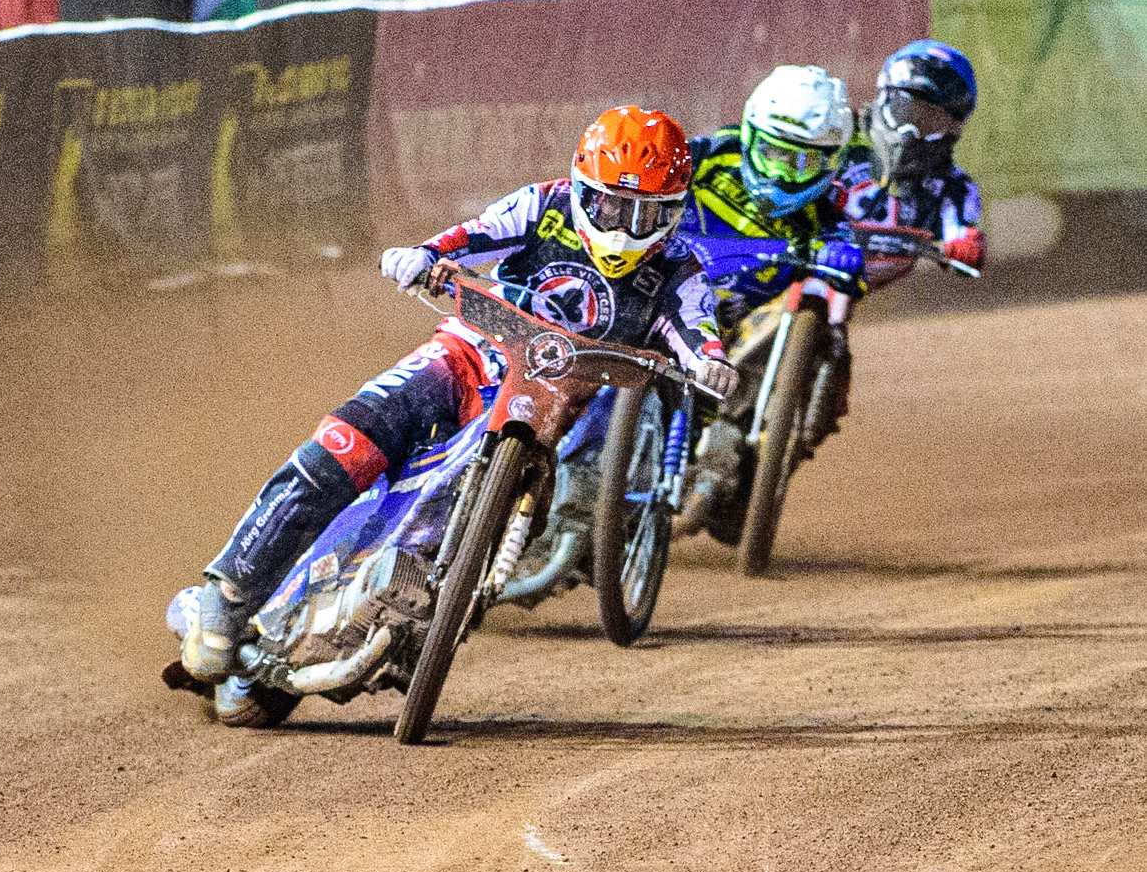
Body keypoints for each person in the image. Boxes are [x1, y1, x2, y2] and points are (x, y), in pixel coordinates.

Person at [180, 106, 737, 683]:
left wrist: (711, 363)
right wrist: (423, 257)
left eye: (647, 213)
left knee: (475, 518)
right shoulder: (542, 205)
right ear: (581, 187)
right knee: (350, 441)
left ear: (674, 213)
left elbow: (700, 331)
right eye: (611, 205)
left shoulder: (679, 270)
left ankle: (418, 622)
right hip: (469, 354)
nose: (624, 225)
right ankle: (230, 590)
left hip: (551, 407)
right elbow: (471, 237)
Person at [674, 64, 865, 538]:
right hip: (664, 290)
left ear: (830, 163)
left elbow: (846, 247)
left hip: (737, 320)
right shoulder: (711, 154)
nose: (783, 173)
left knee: (807, 348)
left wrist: (844, 253)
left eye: (804, 163)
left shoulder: (825, 212)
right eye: (774, 152)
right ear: (749, 132)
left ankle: (750, 464)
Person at [836, 40, 986, 288]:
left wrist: (967, 245)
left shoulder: (952, 188)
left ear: (952, 130)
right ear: (883, 96)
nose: (909, 132)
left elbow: (963, 234)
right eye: (904, 111)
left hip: (857, 290)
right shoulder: (835, 139)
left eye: (930, 121)